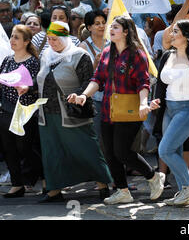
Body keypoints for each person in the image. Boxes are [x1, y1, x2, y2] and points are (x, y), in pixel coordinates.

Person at [68, 16, 165, 205]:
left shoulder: (137, 54)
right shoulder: (106, 52)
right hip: (108, 109)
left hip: (131, 110)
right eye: (110, 27)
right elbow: (97, 79)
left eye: (115, 27)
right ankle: (122, 190)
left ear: (126, 31)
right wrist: (84, 96)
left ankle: (153, 177)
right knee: (110, 153)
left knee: (122, 152)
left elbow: (143, 82)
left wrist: (144, 103)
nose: (110, 29)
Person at [35, 21, 112, 203]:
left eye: (55, 39)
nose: (52, 42)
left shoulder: (79, 55)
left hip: (72, 112)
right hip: (46, 113)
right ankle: (54, 190)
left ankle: (103, 185)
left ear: (65, 37)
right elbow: (40, 79)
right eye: (49, 39)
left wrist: (78, 95)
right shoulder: (46, 55)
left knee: (86, 148)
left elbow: (88, 81)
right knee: (52, 151)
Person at [151, 19, 189, 206]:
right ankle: (184, 194)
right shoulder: (167, 55)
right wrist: (155, 100)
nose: (171, 34)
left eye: (175, 31)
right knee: (173, 149)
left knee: (165, 150)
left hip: (188, 108)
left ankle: (188, 186)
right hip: (168, 107)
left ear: (185, 36)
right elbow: (161, 84)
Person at [1, 25, 42, 198]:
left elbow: (37, 83)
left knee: (25, 148)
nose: (12, 40)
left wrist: (27, 87)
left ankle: (43, 175)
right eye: (11, 37)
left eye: (16, 37)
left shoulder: (33, 61)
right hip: (6, 109)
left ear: (26, 41)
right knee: (8, 148)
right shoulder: (8, 60)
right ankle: (17, 184)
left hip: (25, 110)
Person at [78, 10, 109, 147]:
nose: (101, 26)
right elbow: (81, 75)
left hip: (112, 94)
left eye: (103, 22)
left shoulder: (112, 42)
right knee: (97, 135)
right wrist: (95, 64)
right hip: (94, 97)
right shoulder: (83, 47)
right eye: (97, 24)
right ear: (89, 27)